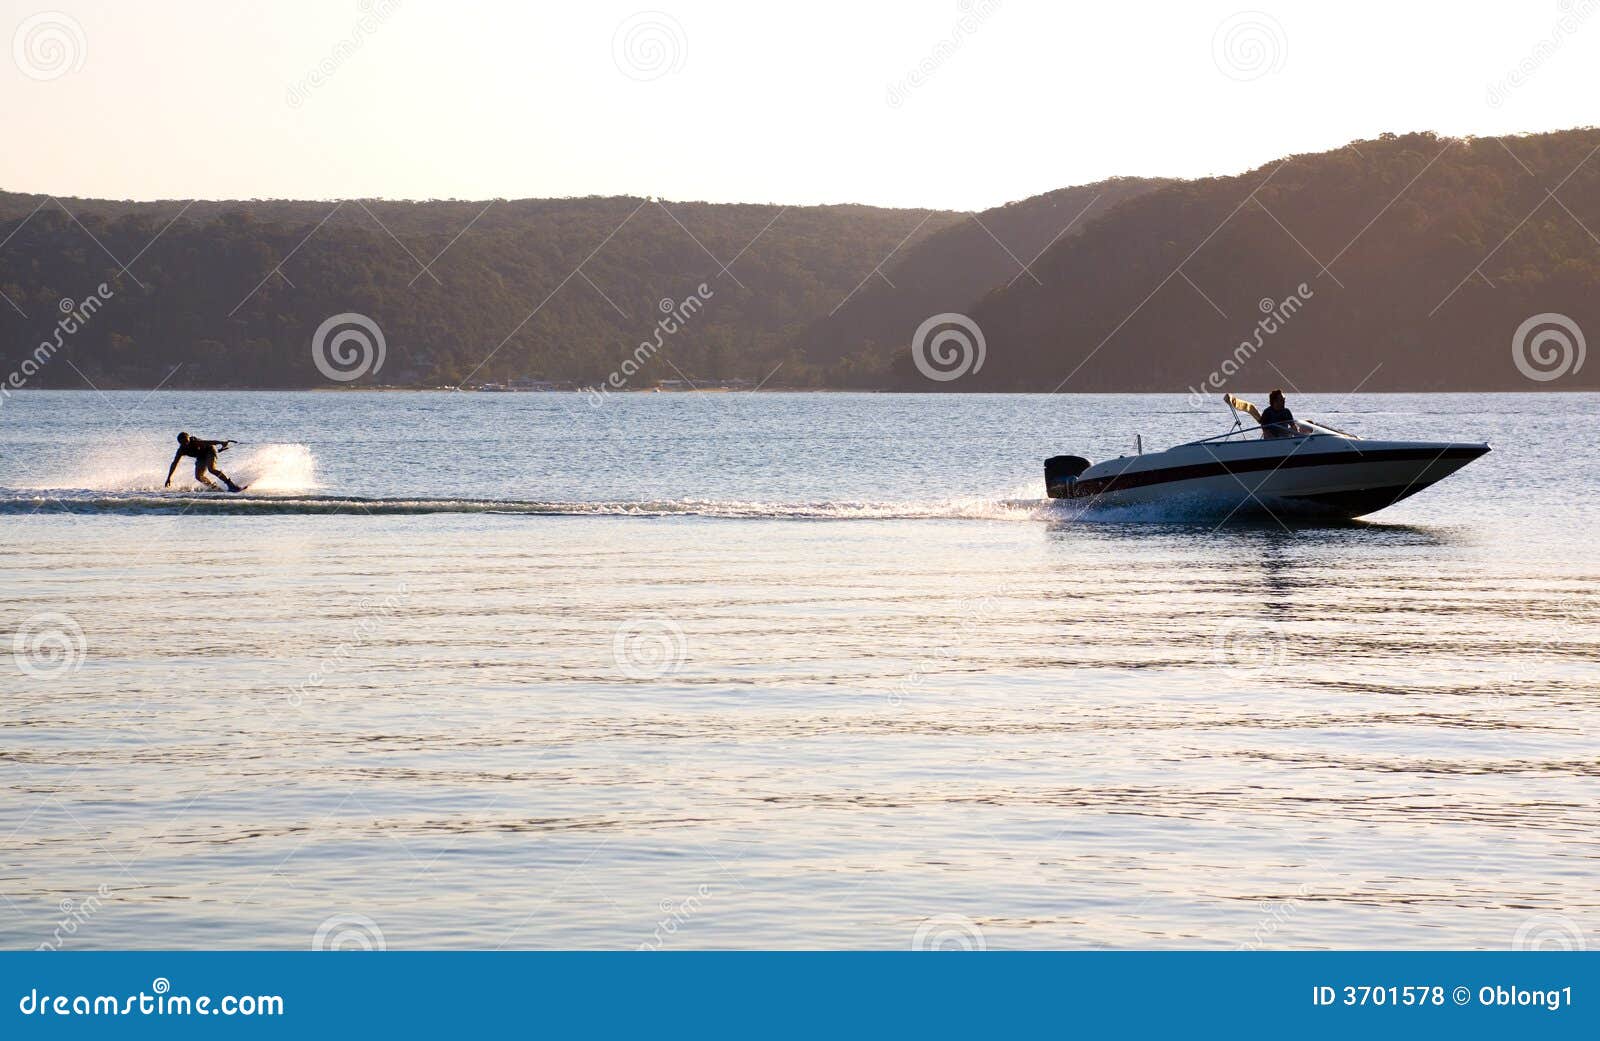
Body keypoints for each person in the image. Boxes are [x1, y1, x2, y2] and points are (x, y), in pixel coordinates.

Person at [166, 432, 241, 491]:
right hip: (201, 457)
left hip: (209, 451)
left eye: (187, 441)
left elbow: (209, 442)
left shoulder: (195, 441)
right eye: (183, 443)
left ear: (189, 439)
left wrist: (221, 442)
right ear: (180, 443)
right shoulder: (181, 450)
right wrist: (169, 478)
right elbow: (174, 464)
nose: (186, 444)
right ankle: (215, 488)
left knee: (211, 469)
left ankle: (231, 485)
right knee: (198, 476)